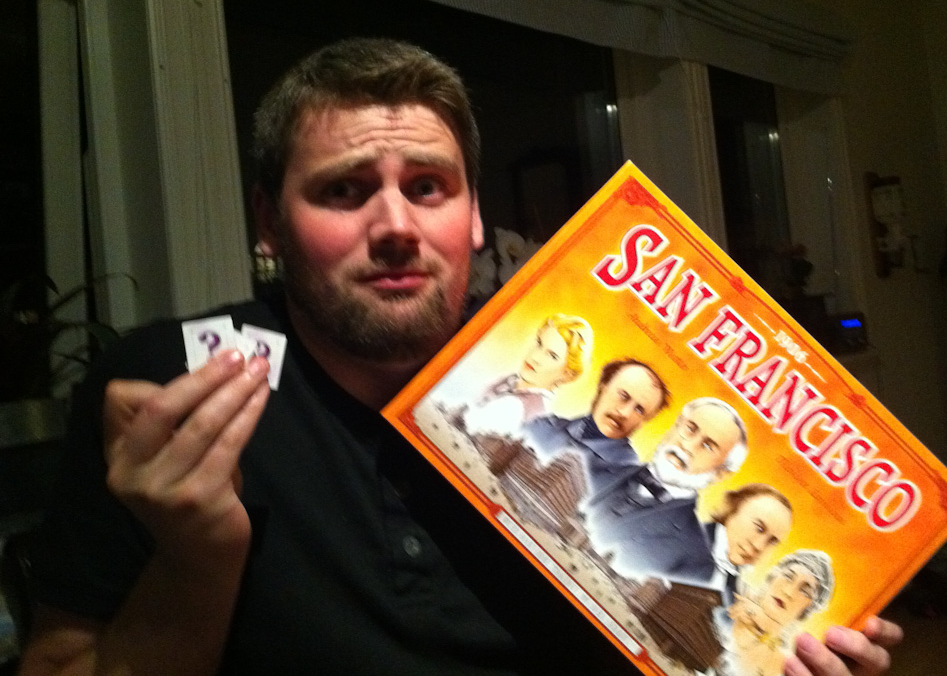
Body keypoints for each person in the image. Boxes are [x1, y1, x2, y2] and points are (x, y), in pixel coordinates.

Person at [19, 38, 901, 676]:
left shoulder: (547, 391)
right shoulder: (173, 389)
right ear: (268, 224)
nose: (396, 226)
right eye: (344, 189)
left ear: (474, 215)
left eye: (428, 186)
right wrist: (195, 558)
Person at [583, 396, 749, 573]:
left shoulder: (694, 555)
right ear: (676, 425)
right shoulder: (592, 466)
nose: (688, 446)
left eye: (708, 446)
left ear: (722, 473)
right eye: (690, 429)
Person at [522, 358, 668, 493]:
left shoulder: (624, 477)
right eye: (623, 396)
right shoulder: (542, 426)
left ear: (643, 422)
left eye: (639, 410)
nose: (625, 413)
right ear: (603, 386)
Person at [455, 313, 592, 438]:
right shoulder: (509, 381)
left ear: (566, 374)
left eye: (552, 356)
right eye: (539, 343)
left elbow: (466, 428)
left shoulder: (515, 407)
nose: (535, 357)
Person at [726, 550, 835, 676]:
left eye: (804, 591)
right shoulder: (728, 597)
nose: (788, 592)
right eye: (788, 576)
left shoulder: (786, 666)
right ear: (773, 576)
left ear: (807, 610)